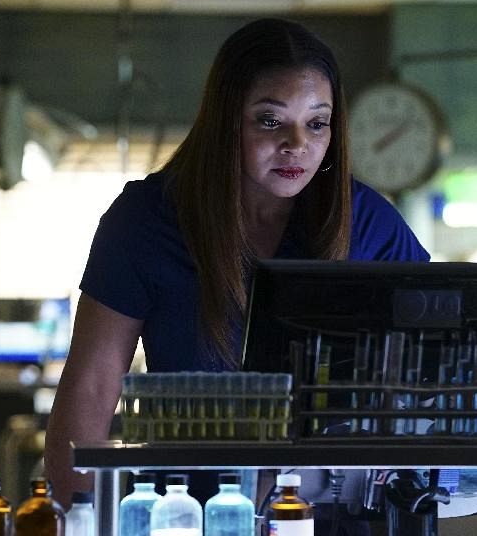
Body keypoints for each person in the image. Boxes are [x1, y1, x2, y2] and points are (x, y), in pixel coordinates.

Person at [45, 17, 430, 509]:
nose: (297, 143)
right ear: (226, 120)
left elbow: (434, 370)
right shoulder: (146, 220)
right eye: (270, 120)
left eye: (317, 123)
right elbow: (92, 387)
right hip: (185, 511)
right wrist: (75, 517)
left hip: (335, 510)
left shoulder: (367, 222)